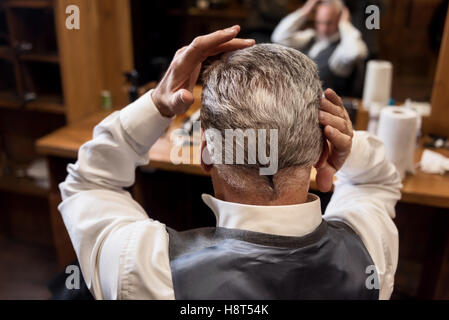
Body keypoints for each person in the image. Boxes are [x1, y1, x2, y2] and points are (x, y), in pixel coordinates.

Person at [58, 26, 401, 300]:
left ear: (206, 150)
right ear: (325, 151)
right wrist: (349, 147)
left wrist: (158, 104)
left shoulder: (145, 267)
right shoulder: (370, 248)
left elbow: (90, 183)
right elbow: (377, 181)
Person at [271, 0, 368, 96]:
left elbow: (355, 53)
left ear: (339, 19)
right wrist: (304, 11)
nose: (323, 28)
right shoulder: (309, 37)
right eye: (319, 22)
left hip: (325, 107)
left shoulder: (342, 48)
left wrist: (345, 24)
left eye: (329, 23)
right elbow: (279, 37)